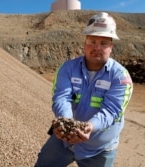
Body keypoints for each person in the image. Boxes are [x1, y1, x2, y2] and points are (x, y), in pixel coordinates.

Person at [35, 12, 133, 167]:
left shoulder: (121, 77)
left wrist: (90, 127)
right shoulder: (67, 68)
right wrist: (66, 124)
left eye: (103, 43)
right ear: (85, 43)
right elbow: (61, 97)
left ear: (111, 46)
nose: (96, 47)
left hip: (99, 149)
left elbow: (112, 110)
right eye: (92, 41)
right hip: (63, 142)